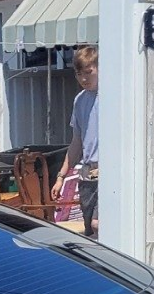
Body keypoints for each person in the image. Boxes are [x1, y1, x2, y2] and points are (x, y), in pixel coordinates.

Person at [53, 46, 99, 238]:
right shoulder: (79, 100)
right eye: (79, 74)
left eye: (88, 72)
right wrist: (61, 177)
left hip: (110, 173)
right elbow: (76, 142)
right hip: (88, 175)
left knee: (98, 224)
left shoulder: (114, 96)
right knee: (90, 229)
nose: (84, 79)